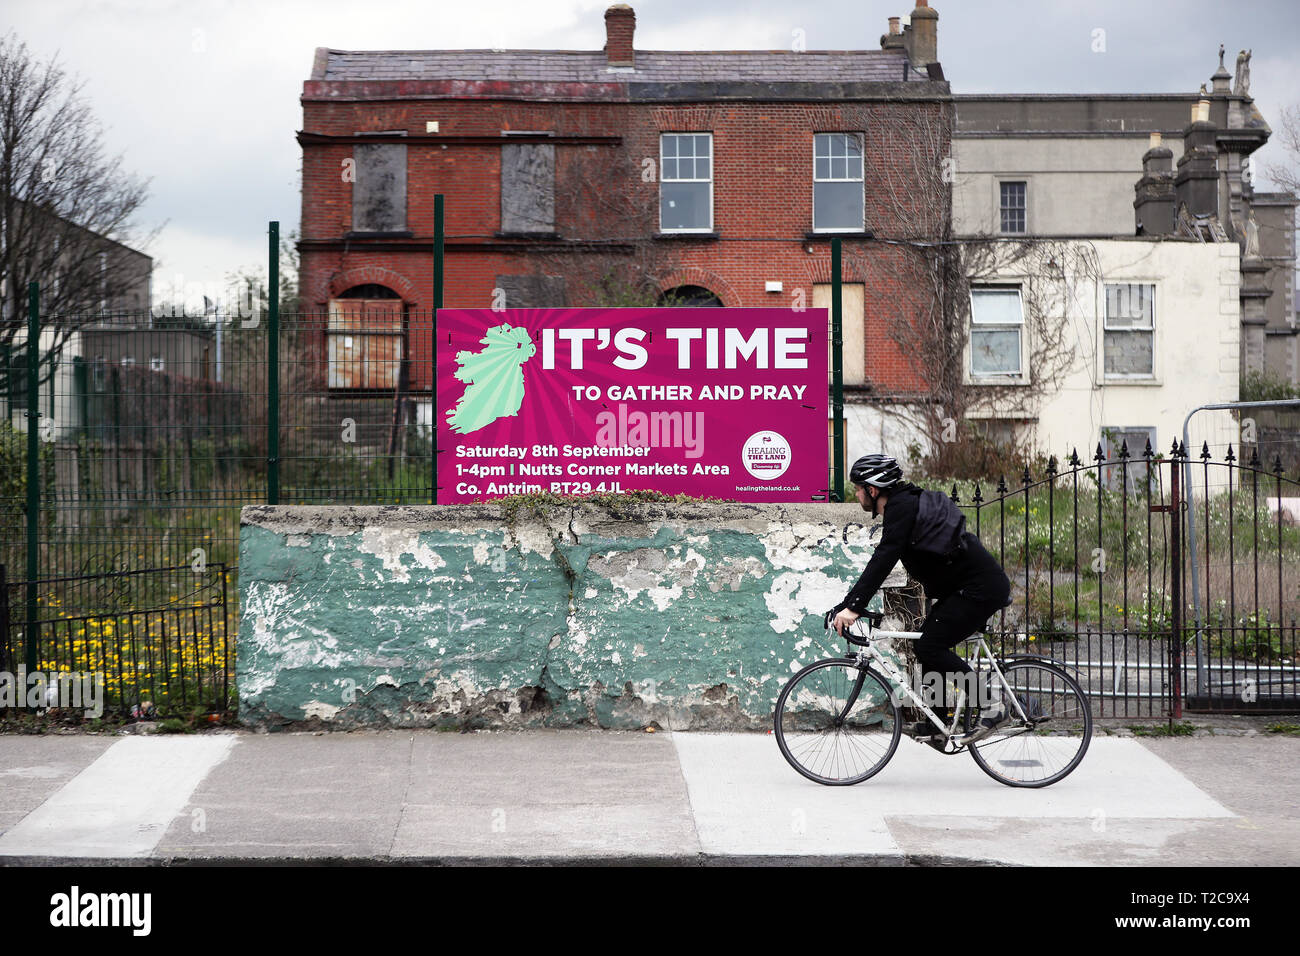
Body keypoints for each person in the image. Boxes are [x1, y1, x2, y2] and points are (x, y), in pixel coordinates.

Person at [828, 454, 1013, 743]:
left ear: (872, 490)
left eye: (858, 488)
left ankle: (992, 703)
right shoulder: (904, 504)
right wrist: (848, 603)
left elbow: (884, 558)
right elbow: (885, 560)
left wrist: (853, 607)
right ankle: (938, 725)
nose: (857, 494)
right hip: (966, 588)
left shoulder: (901, 508)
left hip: (979, 588)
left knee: (930, 646)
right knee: (925, 645)